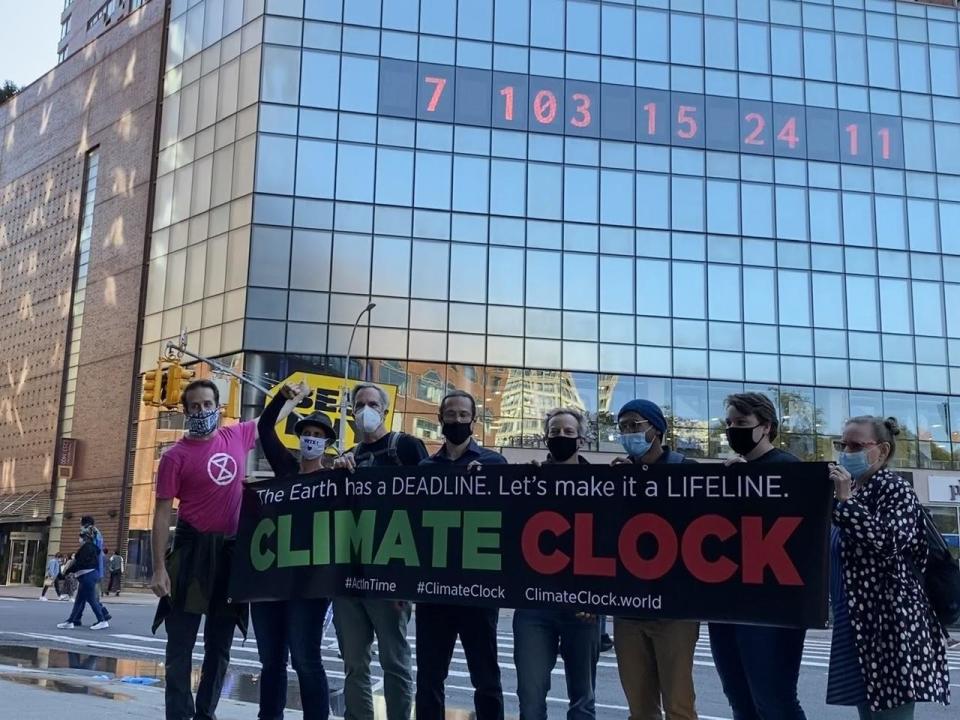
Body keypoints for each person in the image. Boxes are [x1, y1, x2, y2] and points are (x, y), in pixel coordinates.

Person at [150, 378, 260, 720]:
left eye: (207, 405)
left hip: (229, 552)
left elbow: (272, 416)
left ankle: (206, 713)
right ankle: (179, 715)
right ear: (186, 411)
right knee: (180, 645)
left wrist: (292, 395)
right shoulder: (174, 457)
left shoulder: (236, 436)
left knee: (219, 646)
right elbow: (162, 511)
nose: (202, 411)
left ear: (218, 408)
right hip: (191, 550)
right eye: (194, 406)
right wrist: (158, 567)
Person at [827, 416, 950, 719]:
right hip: (860, 622)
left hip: (890, 625)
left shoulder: (894, 489)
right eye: (842, 444)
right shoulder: (854, 489)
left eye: (856, 445)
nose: (846, 451)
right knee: (869, 713)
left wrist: (846, 502)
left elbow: (890, 542)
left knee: (888, 715)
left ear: (881, 451)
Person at [331, 382, 426, 720]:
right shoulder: (350, 458)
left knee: (395, 661)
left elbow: (432, 499)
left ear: (385, 410)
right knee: (354, 663)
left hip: (390, 574)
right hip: (349, 577)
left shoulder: (407, 447)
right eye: (359, 404)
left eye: (372, 403)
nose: (365, 409)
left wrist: (412, 577)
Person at [708, 392, 806, 720]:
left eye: (742, 423)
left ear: (765, 427)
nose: (733, 429)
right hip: (727, 604)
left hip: (772, 608)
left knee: (774, 700)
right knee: (739, 698)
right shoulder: (733, 472)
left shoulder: (788, 468)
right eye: (729, 423)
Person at [416, 389, 506, 720]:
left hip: (477, 591)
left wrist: (491, 485)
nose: (456, 420)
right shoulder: (425, 468)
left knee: (486, 679)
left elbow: (510, 516)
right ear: (440, 419)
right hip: (433, 593)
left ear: (474, 420)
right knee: (428, 679)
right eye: (450, 414)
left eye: (463, 415)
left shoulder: (494, 463)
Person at [610, 399, 700, 720]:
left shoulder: (686, 471)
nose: (628, 432)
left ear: (656, 429)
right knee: (640, 707)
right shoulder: (618, 477)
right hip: (628, 606)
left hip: (674, 609)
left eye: (635, 425)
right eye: (622, 427)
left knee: (678, 705)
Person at [253, 381, 338, 720]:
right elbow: (263, 428)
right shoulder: (286, 471)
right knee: (271, 659)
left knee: (306, 659)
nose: (311, 438)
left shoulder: (335, 481)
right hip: (272, 582)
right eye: (306, 433)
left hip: (310, 586)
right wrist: (281, 399)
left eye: (318, 434)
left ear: (328, 443)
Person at [514, 407, 601, 720]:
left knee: (582, 700)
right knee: (530, 698)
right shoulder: (528, 480)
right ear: (545, 437)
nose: (561, 437)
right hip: (534, 604)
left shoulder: (602, 485)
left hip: (583, 605)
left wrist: (599, 595)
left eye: (567, 432)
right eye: (554, 432)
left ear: (582, 438)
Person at [57, 526, 109, 630]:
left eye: (81, 537)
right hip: (88, 575)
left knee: (91, 599)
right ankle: (70, 621)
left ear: (85, 537)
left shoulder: (87, 548)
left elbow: (79, 563)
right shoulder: (93, 548)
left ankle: (102, 620)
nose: (79, 539)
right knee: (79, 600)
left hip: (87, 576)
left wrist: (66, 572)